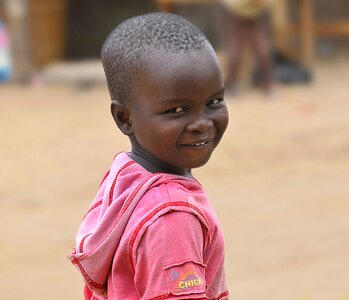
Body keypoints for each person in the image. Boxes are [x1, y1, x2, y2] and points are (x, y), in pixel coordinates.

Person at [67, 13, 229, 300]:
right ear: (124, 118)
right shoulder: (173, 217)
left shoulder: (127, 176)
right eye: (177, 110)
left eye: (213, 102)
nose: (202, 122)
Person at [221, 0, 273, 94]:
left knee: (261, 47)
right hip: (235, 8)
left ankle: (268, 84)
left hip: (254, 11)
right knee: (236, 47)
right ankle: (231, 84)